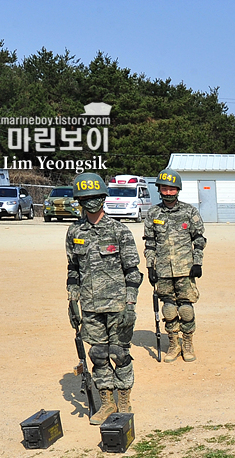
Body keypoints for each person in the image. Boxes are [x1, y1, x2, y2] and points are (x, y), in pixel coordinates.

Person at [66, 172, 143, 422]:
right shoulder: (74, 231)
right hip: (89, 306)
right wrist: (72, 301)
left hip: (118, 305)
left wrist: (130, 304)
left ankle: (124, 399)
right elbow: (73, 269)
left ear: (103, 198)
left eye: (95, 197)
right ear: (79, 200)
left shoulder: (120, 231)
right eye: (85, 198)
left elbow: (133, 271)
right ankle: (107, 402)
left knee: (119, 354)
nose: (91, 202)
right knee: (98, 356)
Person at [143, 169, 207, 363]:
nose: (168, 193)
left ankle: (187, 343)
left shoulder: (189, 212)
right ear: (159, 190)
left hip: (185, 269)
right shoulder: (153, 213)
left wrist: (197, 262)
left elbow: (199, 239)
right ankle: (173, 343)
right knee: (169, 310)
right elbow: (149, 243)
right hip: (163, 271)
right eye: (164, 189)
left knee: (186, 309)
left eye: (172, 189)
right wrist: (150, 267)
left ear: (178, 190)